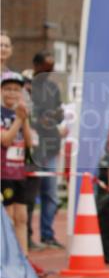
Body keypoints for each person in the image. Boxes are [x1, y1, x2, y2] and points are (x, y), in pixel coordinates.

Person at [30, 52, 64, 248]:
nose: (50, 71)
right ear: (36, 66)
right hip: (33, 147)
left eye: (52, 67)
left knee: (50, 193)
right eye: (46, 66)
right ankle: (26, 235)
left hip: (51, 145)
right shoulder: (27, 86)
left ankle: (47, 234)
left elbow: (59, 114)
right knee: (28, 194)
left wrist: (56, 116)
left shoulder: (53, 88)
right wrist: (38, 121)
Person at [1, 72, 34, 255]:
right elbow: (5, 140)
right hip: (3, 173)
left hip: (18, 173)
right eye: (7, 89)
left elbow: (29, 143)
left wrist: (25, 119)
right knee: (8, 218)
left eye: (15, 90)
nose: (11, 94)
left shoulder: (22, 113)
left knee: (22, 217)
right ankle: (7, 258)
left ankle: (24, 259)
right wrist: (19, 120)